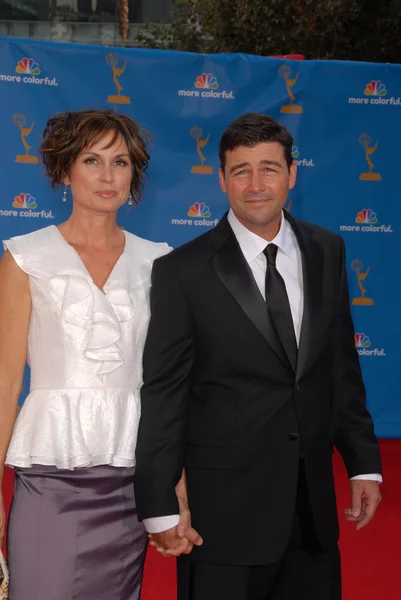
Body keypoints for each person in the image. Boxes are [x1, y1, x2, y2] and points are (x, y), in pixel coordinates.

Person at [134, 113, 382, 599]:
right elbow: (163, 393)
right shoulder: (181, 270)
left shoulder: (328, 250)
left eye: (269, 168)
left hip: (311, 509)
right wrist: (159, 504)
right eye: (241, 170)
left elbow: (339, 369)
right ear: (221, 179)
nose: (255, 183)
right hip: (221, 516)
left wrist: (362, 463)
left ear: (292, 175)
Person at [0, 108, 198, 600]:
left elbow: (172, 387)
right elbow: (4, 384)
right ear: (65, 171)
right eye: (92, 160)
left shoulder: (160, 261)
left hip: (134, 478)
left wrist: (179, 488)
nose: (108, 176)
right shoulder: (25, 257)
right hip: (50, 477)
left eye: (121, 162)